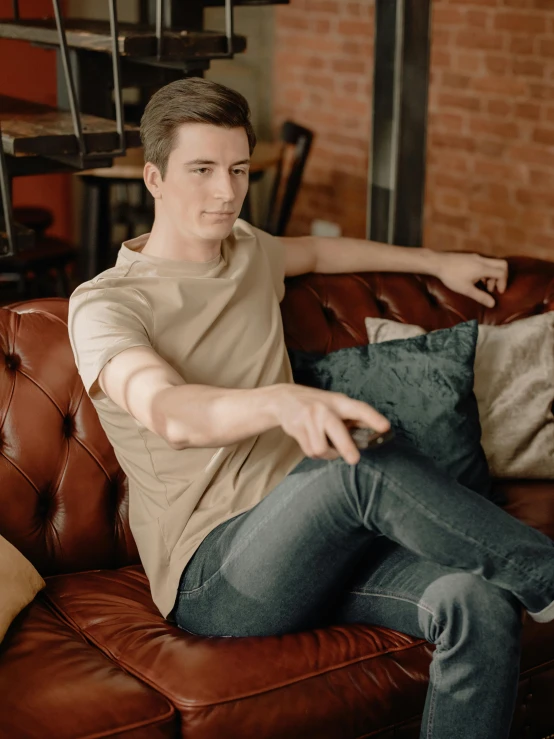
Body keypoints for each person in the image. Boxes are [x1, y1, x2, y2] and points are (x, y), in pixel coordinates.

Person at [68, 77, 554, 739]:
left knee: (477, 602)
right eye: (201, 170)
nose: (225, 191)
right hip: (218, 576)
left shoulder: (245, 249)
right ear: (154, 177)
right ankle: (547, 576)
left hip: (326, 549)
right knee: (353, 457)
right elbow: (170, 409)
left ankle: (519, 583)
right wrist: (280, 400)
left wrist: (440, 261)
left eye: (237, 170)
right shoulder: (106, 305)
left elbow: (324, 250)